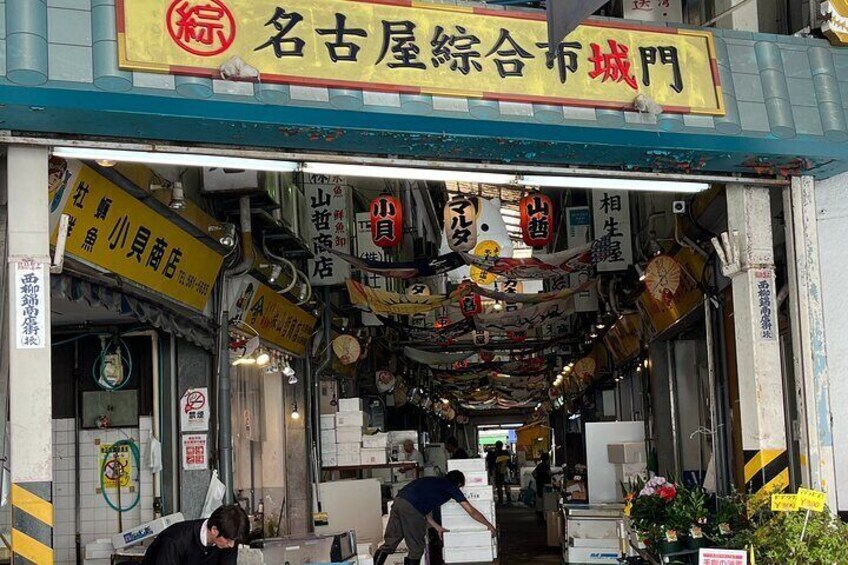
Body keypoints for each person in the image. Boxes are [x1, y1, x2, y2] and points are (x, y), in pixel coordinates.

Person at [374, 471, 496, 565]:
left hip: (399, 501)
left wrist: (438, 528)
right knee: (416, 549)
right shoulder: (451, 487)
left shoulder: (431, 481)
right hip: (412, 509)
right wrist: (489, 525)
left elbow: (424, 510)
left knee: (390, 543)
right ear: (459, 484)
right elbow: (471, 511)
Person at [142, 504, 249, 565]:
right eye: (229, 540)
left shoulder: (228, 539)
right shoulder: (175, 541)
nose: (231, 545)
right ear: (214, 530)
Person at [532, 453, 552, 518]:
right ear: (547, 459)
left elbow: (533, 473)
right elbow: (549, 474)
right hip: (546, 484)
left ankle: (539, 511)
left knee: (540, 497)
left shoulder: (539, 465)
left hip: (539, 483)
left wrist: (537, 478)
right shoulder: (546, 466)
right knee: (546, 499)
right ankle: (543, 514)